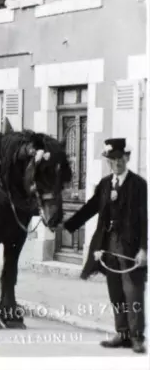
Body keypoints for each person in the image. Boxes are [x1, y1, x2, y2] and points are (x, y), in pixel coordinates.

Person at [62, 138, 147, 354]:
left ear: (127, 158)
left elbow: (144, 219)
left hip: (130, 248)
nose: (117, 163)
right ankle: (123, 333)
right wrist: (67, 225)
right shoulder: (105, 184)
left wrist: (143, 249)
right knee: (116, 291)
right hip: (108, 246)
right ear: (108, 162)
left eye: (120, 158)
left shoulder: (139, 185)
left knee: (133, 291)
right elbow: (91, 208)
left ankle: (137, 336)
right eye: (112, 159)